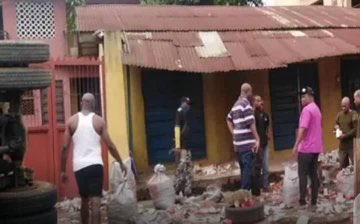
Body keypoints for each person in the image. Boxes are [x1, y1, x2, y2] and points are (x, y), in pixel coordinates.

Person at [61, 93, 127, 224]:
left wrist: (62, 170)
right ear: (93, 104)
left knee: (84, 200)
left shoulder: (71, 121)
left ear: (81, 103)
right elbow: (110, 145)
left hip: (79, 166)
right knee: (96, 202)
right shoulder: (99, 121)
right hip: (96, 165)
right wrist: (120, 162)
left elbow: (64, 147)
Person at [292, 87, 323, 209]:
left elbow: (302, 129)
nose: (301, 99)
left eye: (304, 96)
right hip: (315, 148)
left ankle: (302, 200)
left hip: (306, 148)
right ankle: (314, 201)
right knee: (313, 174)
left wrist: (296, 145)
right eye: (301, 96)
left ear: (310, 96)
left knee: (302, 174)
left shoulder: (306, 110)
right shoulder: (316, 109)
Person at [227, 83, 260, 190]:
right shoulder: (246, 105)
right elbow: (251, 123)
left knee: (243, 169)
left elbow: (228, 118)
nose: (252, 94)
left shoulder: (236, 104)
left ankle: (245, 194)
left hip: (237, 144)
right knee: (248, 170)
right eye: (251, 92)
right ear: (247, 91)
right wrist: (257, 139)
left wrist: (234, 133)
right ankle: (244, 194)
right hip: (246, 144)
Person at [174, 96, 193, 196]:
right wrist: (178, 146)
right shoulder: (180, 112)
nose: (188, 106)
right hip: (182, 147)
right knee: (182, 169)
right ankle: (177, 190)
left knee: (188, 169)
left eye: (189, 104)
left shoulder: (185, 113)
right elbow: (177, 128)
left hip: (186, 146)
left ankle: (187, 191)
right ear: (183, 103)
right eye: (187, 104)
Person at [253, 95, 270, 191]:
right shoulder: (252, 115)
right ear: (254, 103)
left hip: (265, 144)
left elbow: (267, 127)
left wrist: (267, 134)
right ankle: (257, 187)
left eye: (260, 100)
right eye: (257, 100)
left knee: (266, 166)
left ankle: (265, 185)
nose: (259, 102)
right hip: (257, 145)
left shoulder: (265, 115)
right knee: (257, 167)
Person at [335, 97, 357, 169]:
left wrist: (345, 135)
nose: (343, 108)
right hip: (342, 145)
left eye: (345, 106)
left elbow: (355, 129)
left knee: (355, 164)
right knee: (342, 165)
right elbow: (336, 124)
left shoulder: (353, 114)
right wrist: (336, 129)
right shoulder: (339, 115)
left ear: (349, 105)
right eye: (342, 106)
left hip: (352, 145)